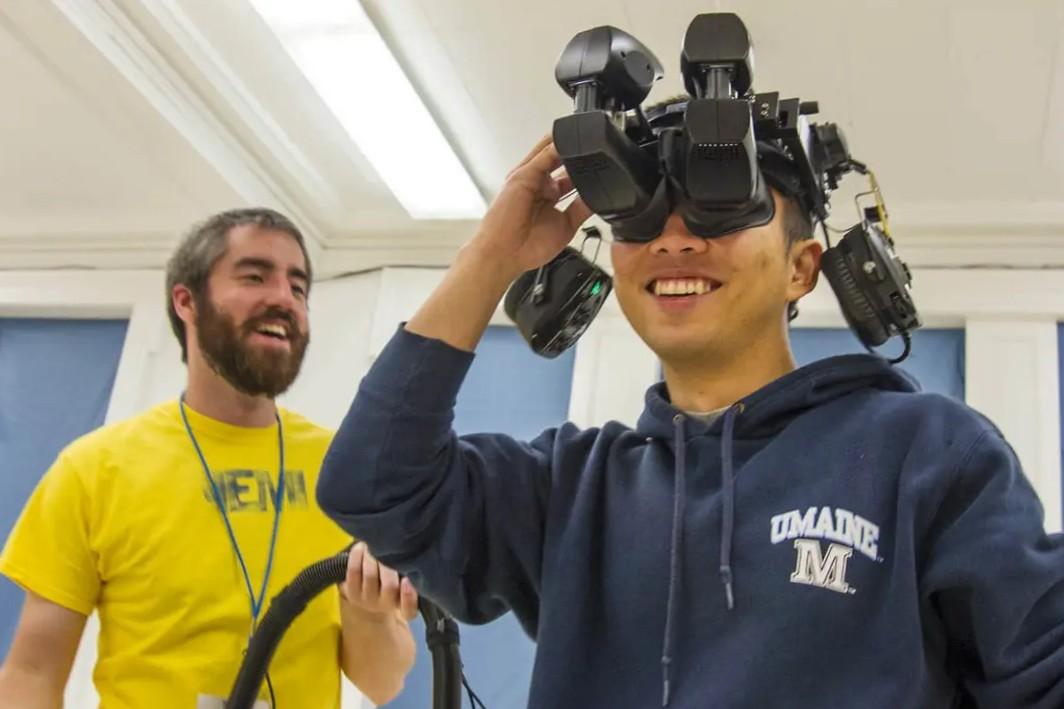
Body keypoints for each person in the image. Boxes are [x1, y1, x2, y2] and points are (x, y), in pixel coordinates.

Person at [316, 129, 1064, 708]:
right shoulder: (570, 487)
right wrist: (493, 254)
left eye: (723, 207)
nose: (673, 238)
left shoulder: (928, 453)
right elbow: (372, 487)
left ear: (802, 266)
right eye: (641, 216)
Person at [0, 208, 417, 708]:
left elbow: (382, 683)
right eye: (255, 277)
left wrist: (368, 611)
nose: (284, 299)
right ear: (187, 301)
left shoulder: (344, 470)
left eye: (298, 287)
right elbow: (33, 672)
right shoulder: (94, 469)